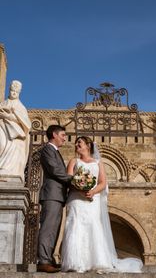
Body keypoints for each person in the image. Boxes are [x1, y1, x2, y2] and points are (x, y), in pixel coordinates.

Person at [61, 136, 143, 273]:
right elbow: (69, 180)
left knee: (93, 226)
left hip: (92, 200)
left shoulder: (98, 163)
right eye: (76, 143)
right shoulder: (73, 161)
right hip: (76, 199)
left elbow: (103, 183)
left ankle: (96, 261)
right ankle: (75, 262)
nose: (76, 145)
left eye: (79, 143)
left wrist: (92, 192)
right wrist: (80, 190)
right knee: (76, 225)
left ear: (88, 145)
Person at [37, 125, 72, 273]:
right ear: (54, 135)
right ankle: (43, 261)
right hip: (51, 194)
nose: (65, 138)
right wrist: (74, 180)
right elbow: (54, 170)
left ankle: (49, 258)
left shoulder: (55, 151)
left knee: (54, 229)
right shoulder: (47, 149)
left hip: (57, 196)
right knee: (48, 228)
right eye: (63, 135)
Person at [0, 80, 31, 181]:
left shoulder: (20, 106)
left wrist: (8, 116)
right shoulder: (3, 103)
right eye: (12, 90)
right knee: (2, 144)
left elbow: (26, 123)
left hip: (15, 134)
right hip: (3, 129)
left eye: (16, 92)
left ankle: (8, 170)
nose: (14, 93)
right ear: (9, 90)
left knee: (14, 148)